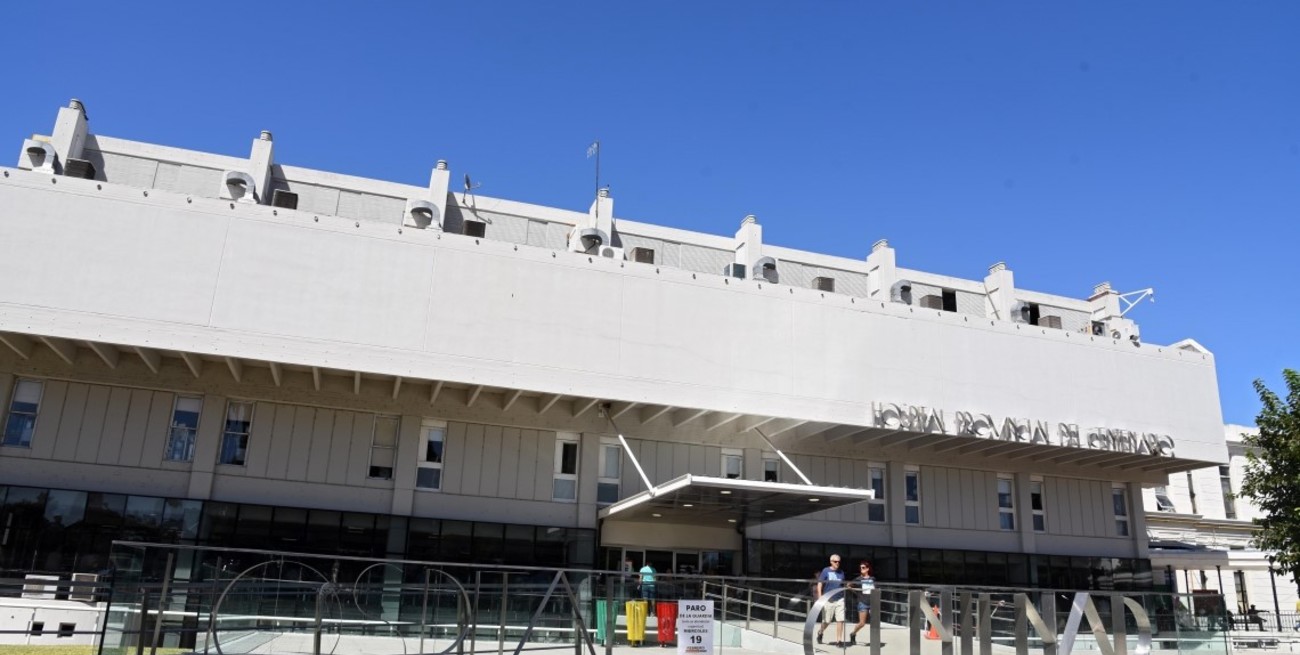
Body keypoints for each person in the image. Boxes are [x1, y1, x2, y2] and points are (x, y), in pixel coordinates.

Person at [816, 554, 847, 646]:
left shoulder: (841, 572)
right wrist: (820, 597)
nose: (837, 563)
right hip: (828, 599)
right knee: (827, 621)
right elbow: (820, 584)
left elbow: (842, 585)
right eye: (835, 561)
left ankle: (839, 641)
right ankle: (820, 632)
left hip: (840, 599)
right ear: (831, 562)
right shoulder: (826, 570)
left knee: (840, 619)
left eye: (839, 562)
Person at [847, 561, 876, 646]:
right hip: (863, 602)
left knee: (874, 622)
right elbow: (848, 585)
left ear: (867, 569)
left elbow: (874, 589)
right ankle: (853, 633)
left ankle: (874, 640)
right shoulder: (858, 579)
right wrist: (856, 592)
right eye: (860, 568)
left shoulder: (872, 579)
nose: (861, 569)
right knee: (862, 623)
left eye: (863, 568)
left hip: (872, 602)